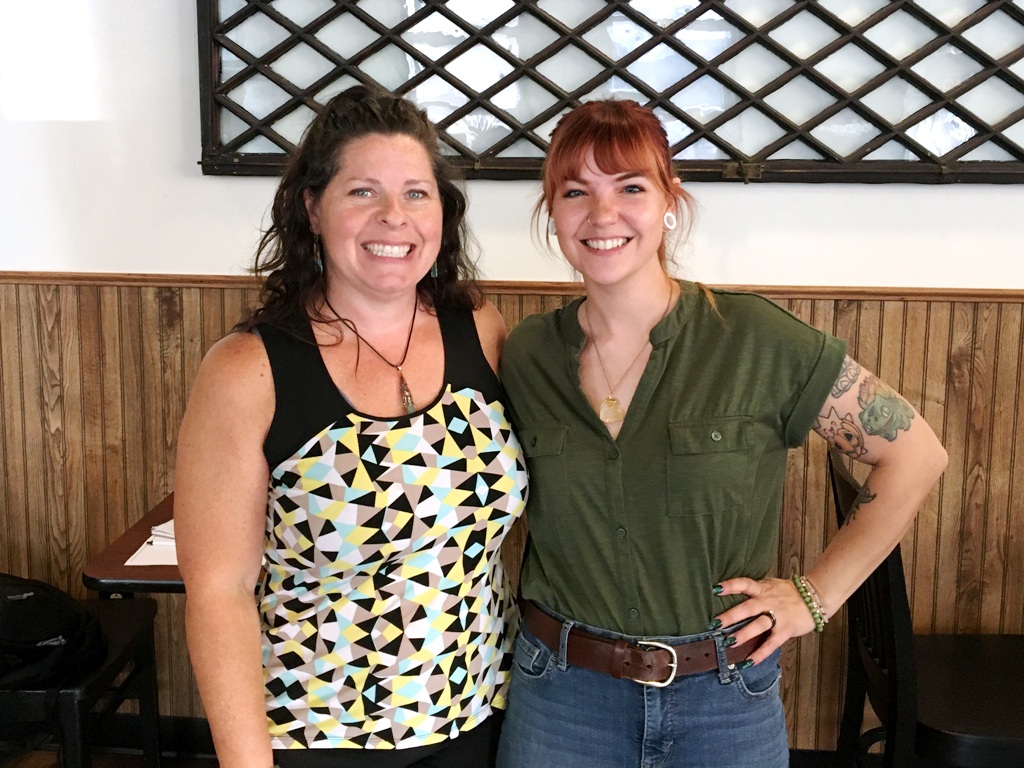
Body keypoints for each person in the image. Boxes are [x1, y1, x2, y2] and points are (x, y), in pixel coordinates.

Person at [495, 99, 947, 768]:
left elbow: (916, 454)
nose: (602, 213)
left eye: (630, 187)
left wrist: (815, 598)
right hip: (561, 701)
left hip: (724, 700)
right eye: (575, 191)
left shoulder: (756, 340)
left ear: (669, 201)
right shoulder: (526, 354)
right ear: (551, 212)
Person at [175, 85, 528, 768]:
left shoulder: (479, 328)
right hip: (319, 733)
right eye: (363, 192)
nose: (395, 217)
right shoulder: (249, 369)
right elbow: (219, 594)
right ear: (313, 208)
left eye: (416, 193)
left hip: (482, 715)